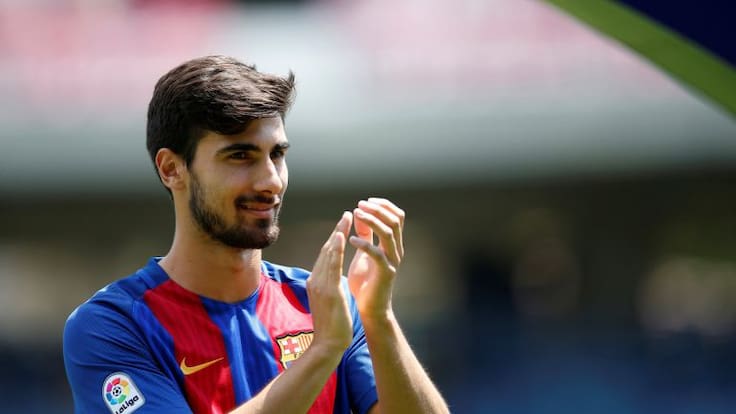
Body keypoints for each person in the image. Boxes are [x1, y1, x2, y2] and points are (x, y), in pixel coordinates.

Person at [63, 55, 449, 414]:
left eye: (277, 155)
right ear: (172, 169)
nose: (270, 180)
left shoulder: (323, 306)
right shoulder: (112, 325)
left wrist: (377, 317)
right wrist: (322, 352)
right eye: (240, 156)